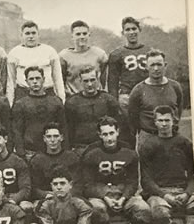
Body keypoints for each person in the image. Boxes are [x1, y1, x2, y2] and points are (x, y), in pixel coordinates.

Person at [80, 117, 152, 224]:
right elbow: (87, 185)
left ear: (118, 132)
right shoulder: (91, 153)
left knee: (143, 209)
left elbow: (133, 182)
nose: (109, 138)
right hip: (101, 194)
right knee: (97, 208)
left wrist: (123, 198)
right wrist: (105, 197)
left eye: (111, 133)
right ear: (99, 135)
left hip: (123, 192)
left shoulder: (129, 152)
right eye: (105, 134)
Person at [140, 106, 194, 224]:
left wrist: (187, 193)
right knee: (159, 213)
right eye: (160, 120)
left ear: (174, 121)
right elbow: (146, 179)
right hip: (160, 193)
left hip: (182, 190)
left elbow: (192, 174)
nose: (164, 124)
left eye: (167, 120)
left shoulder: (184, 143)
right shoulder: (148, 145)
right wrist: (165, 196)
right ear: (155, 122)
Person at [128, 49, 183, 152]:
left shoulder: (175, 87)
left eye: (159, 64)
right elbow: (132, 119)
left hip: (171, 137)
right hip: (148, 139)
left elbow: (178, 111)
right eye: (152, 65)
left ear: (165, 65)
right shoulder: (138, 90)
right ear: (146, 67)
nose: (156, 68)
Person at [107, 16, 150, 144]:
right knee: (127, 135)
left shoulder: (149, 51)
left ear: (139, 30)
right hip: (126, 97)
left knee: (147, 133)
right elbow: (112, 82)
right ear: (123, 32)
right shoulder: (116, 54)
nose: (131, 32)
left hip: (146, 96)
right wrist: (114, 104)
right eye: (128, 29)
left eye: (134, 29)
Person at [11, 66, 67, 161]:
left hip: (53, 151)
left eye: (37, 78)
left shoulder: (55, 101)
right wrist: (21, 154)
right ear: (26, 81)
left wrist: (64, 151)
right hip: (31, 152)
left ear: (43, 79)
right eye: (31, 79)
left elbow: (64, 128)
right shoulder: (20, 104)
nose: (35, 81)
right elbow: (17, 131)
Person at [64, 66, 120, 156]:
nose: (90, 84)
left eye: (92, 80)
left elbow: (118, 124)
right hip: (81, 147)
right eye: (86, 81)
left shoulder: (108, 100)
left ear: (98, 80)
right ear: (80, 82)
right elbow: (68, 129)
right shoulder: (72, 102)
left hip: (104, 147)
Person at [6, 21, 65, 106]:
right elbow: (10, 82)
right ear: (21, 35)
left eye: (33, 33)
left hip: (47, 93)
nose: (31, 36)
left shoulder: (50, 51)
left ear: (38, 35)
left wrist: (61, 99)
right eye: (27, 33)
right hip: (23, 94)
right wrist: (10, 103)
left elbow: (58, 79)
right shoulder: (14, 53)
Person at [0, 124, 32, 212]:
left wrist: (14, 200)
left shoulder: (18, 161)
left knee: (26, 206)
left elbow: (25, 188)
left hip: (14, 198)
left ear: (5, 139)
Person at [29, 122, 80, 202]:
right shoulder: (37, 160)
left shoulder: (72, 157)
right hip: (46, 199)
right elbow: (34, 187)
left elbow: (78, 183)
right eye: (49, 137)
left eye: (56, 136)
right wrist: (45, 194)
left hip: (69, 198)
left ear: (61, 137)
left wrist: (65, 195)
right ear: (44, 139)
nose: (52, 140)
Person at [58, 21, 108, 97]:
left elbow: (104, 78)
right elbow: (60, 80)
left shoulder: (99, 54)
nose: (82, 37)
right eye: (78, 34)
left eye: (84, 34)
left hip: (96, 97)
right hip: (74, 98)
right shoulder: (64, 56)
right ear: (72, 36)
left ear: (89, 35)